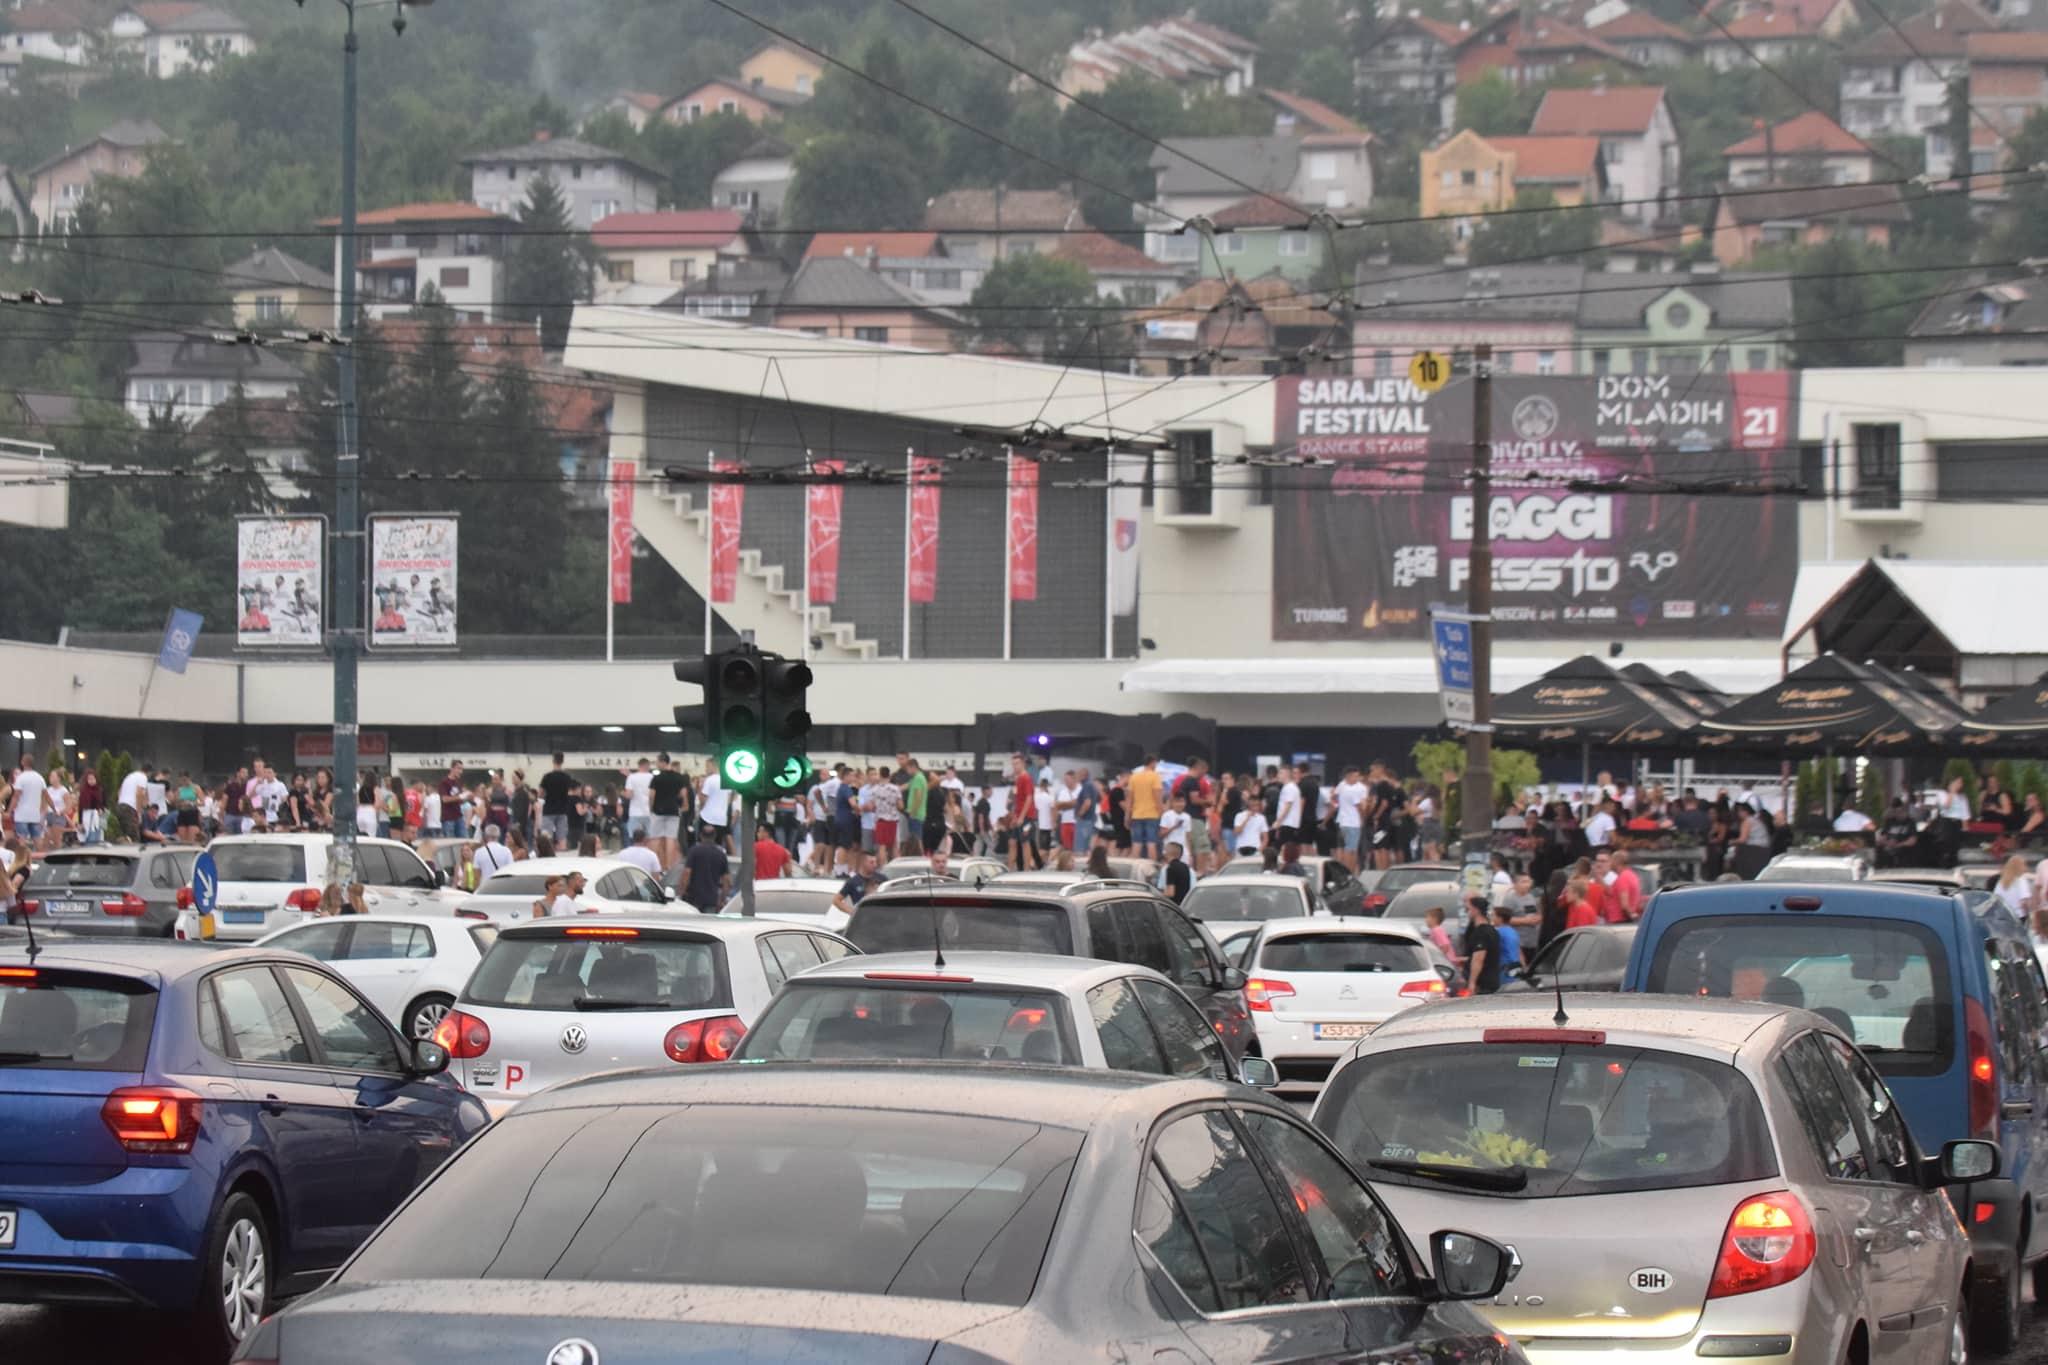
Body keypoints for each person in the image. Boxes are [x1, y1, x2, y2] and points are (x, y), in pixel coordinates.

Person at [647, 753, 688, 872]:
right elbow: (683, 794)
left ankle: (654, 866)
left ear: (663, 762)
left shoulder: (657, 778)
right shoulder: (679, 777)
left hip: (658, 811)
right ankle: (668, 866)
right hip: (673, 810)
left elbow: (651, 795)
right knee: (671, 838)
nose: (657, 764)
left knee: (655, 838)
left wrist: (651, 807)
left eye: (657, 761)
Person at [678, 828, 731, 912]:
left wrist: (681, 892)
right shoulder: (720, 854)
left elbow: (687, 873)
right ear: (714, 836)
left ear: (701, 836)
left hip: (694, 898)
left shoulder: (694, 851)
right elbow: (726, 880)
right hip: (712, 899)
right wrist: (722, 899)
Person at [1332, 766, 1369, 872]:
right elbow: (1360, 807)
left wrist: (1338, 803)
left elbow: (1334, 796)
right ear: (1348, 776)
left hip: (1342, 821)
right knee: (1351, 849)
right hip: (1353, 822)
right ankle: (1349, 872)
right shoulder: (1358, 789)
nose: (1357, 778)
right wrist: (1362, 819)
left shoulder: (1342, 786)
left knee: (1344, 848)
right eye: (1355, 776)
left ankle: (1344, 870)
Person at [538, 753, 575, 849]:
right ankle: (562, 859)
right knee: (562, 838)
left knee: (547, 838)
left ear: (553, 761)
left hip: (549, 810)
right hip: (562, 810)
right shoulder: (567, 777)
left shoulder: (547, 777)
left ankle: (547, 857)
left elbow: (540, 794)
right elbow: (570, 793)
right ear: (562, 761)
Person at [7, 759, 47, 847]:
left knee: (24, 838)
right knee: (15, 839)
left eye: (19, 773)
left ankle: (23, 858)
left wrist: (42, 814)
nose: (18, 775)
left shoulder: (22, 782)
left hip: (22, 815)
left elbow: (17, 798)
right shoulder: (10, 787)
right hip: (17, 815)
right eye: (15, 773)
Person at [833, 851, 878, 917]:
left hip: (881, 916)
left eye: (876, 862)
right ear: (863, 863)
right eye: (871, 862)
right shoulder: (853, 881)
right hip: (863, 919)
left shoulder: (882, 878)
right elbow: (836, 900)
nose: (875, 865)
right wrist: (852, 912)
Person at [623, 758, 654, 845]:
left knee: (635, 838)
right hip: (649, 812)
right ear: (647, 766)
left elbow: (629, 795)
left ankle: (635, 855)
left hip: (635, 812)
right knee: (649, 838)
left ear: (639, 765)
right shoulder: (652, 777)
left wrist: (623, 794)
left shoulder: (631, 777)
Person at [1490, 904, 1524, 974]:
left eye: (1493, 915)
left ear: (1500, 918)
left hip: (1504, 970)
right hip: (1515, 969)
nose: (1491, 917)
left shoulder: (1498, 933)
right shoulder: (1513, 931)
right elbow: (1519, 951)